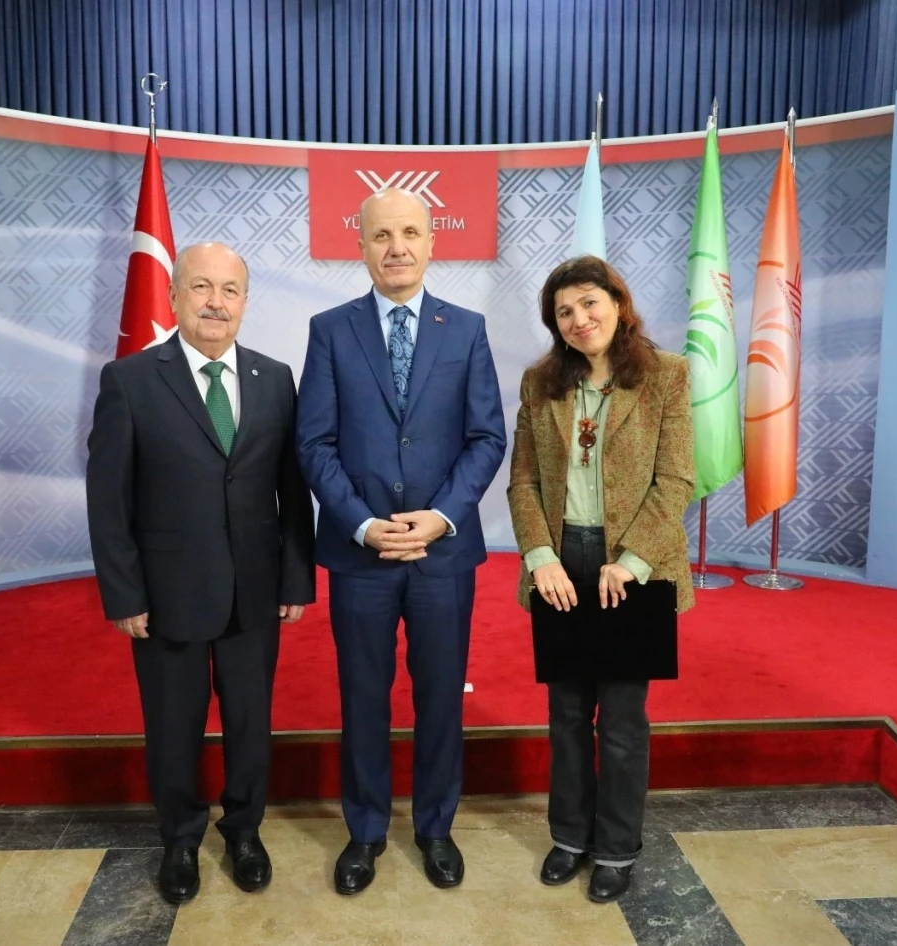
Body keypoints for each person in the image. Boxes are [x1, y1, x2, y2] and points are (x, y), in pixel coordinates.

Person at [85, 242, 316, 904]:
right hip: (166, 594)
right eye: (202, 287)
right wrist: (124, 593)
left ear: (244, 301)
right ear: (174, 296)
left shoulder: (275, 377)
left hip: (255, 589)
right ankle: (181, 838)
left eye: (230, 290)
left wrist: (296, 578)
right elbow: (108, 500)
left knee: (250, 720)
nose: (217, 302)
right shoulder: (129, 379)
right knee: (173, 724)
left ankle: (244, 831)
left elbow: (292, 489)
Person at [295, 188, 506, 894]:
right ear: (360, 245)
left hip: (443, 553)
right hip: (361, 554)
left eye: (410, 233)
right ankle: (365, 831)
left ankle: (436, 827)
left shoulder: (466, 329)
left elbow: (486, 437)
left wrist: (441, 516)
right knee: (364, 695)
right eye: (382, 235)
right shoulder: (330, 330)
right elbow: (314, 443)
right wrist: (362, 523)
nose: (397, 248)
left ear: (432, 242)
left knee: (441, 695)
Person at [506, 254, 695, 903]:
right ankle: (569, 838)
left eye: (590, 302)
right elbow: (523, 482)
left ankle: (616, 848)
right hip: (562, 564)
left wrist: (633, 561)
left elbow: (676, 480)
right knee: (565, 714)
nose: (579, 318)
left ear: (618, 304)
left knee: (620, 717)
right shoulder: (540, 384)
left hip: (632, 567)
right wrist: (540, 557)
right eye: (564, 311)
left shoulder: (667, 375)